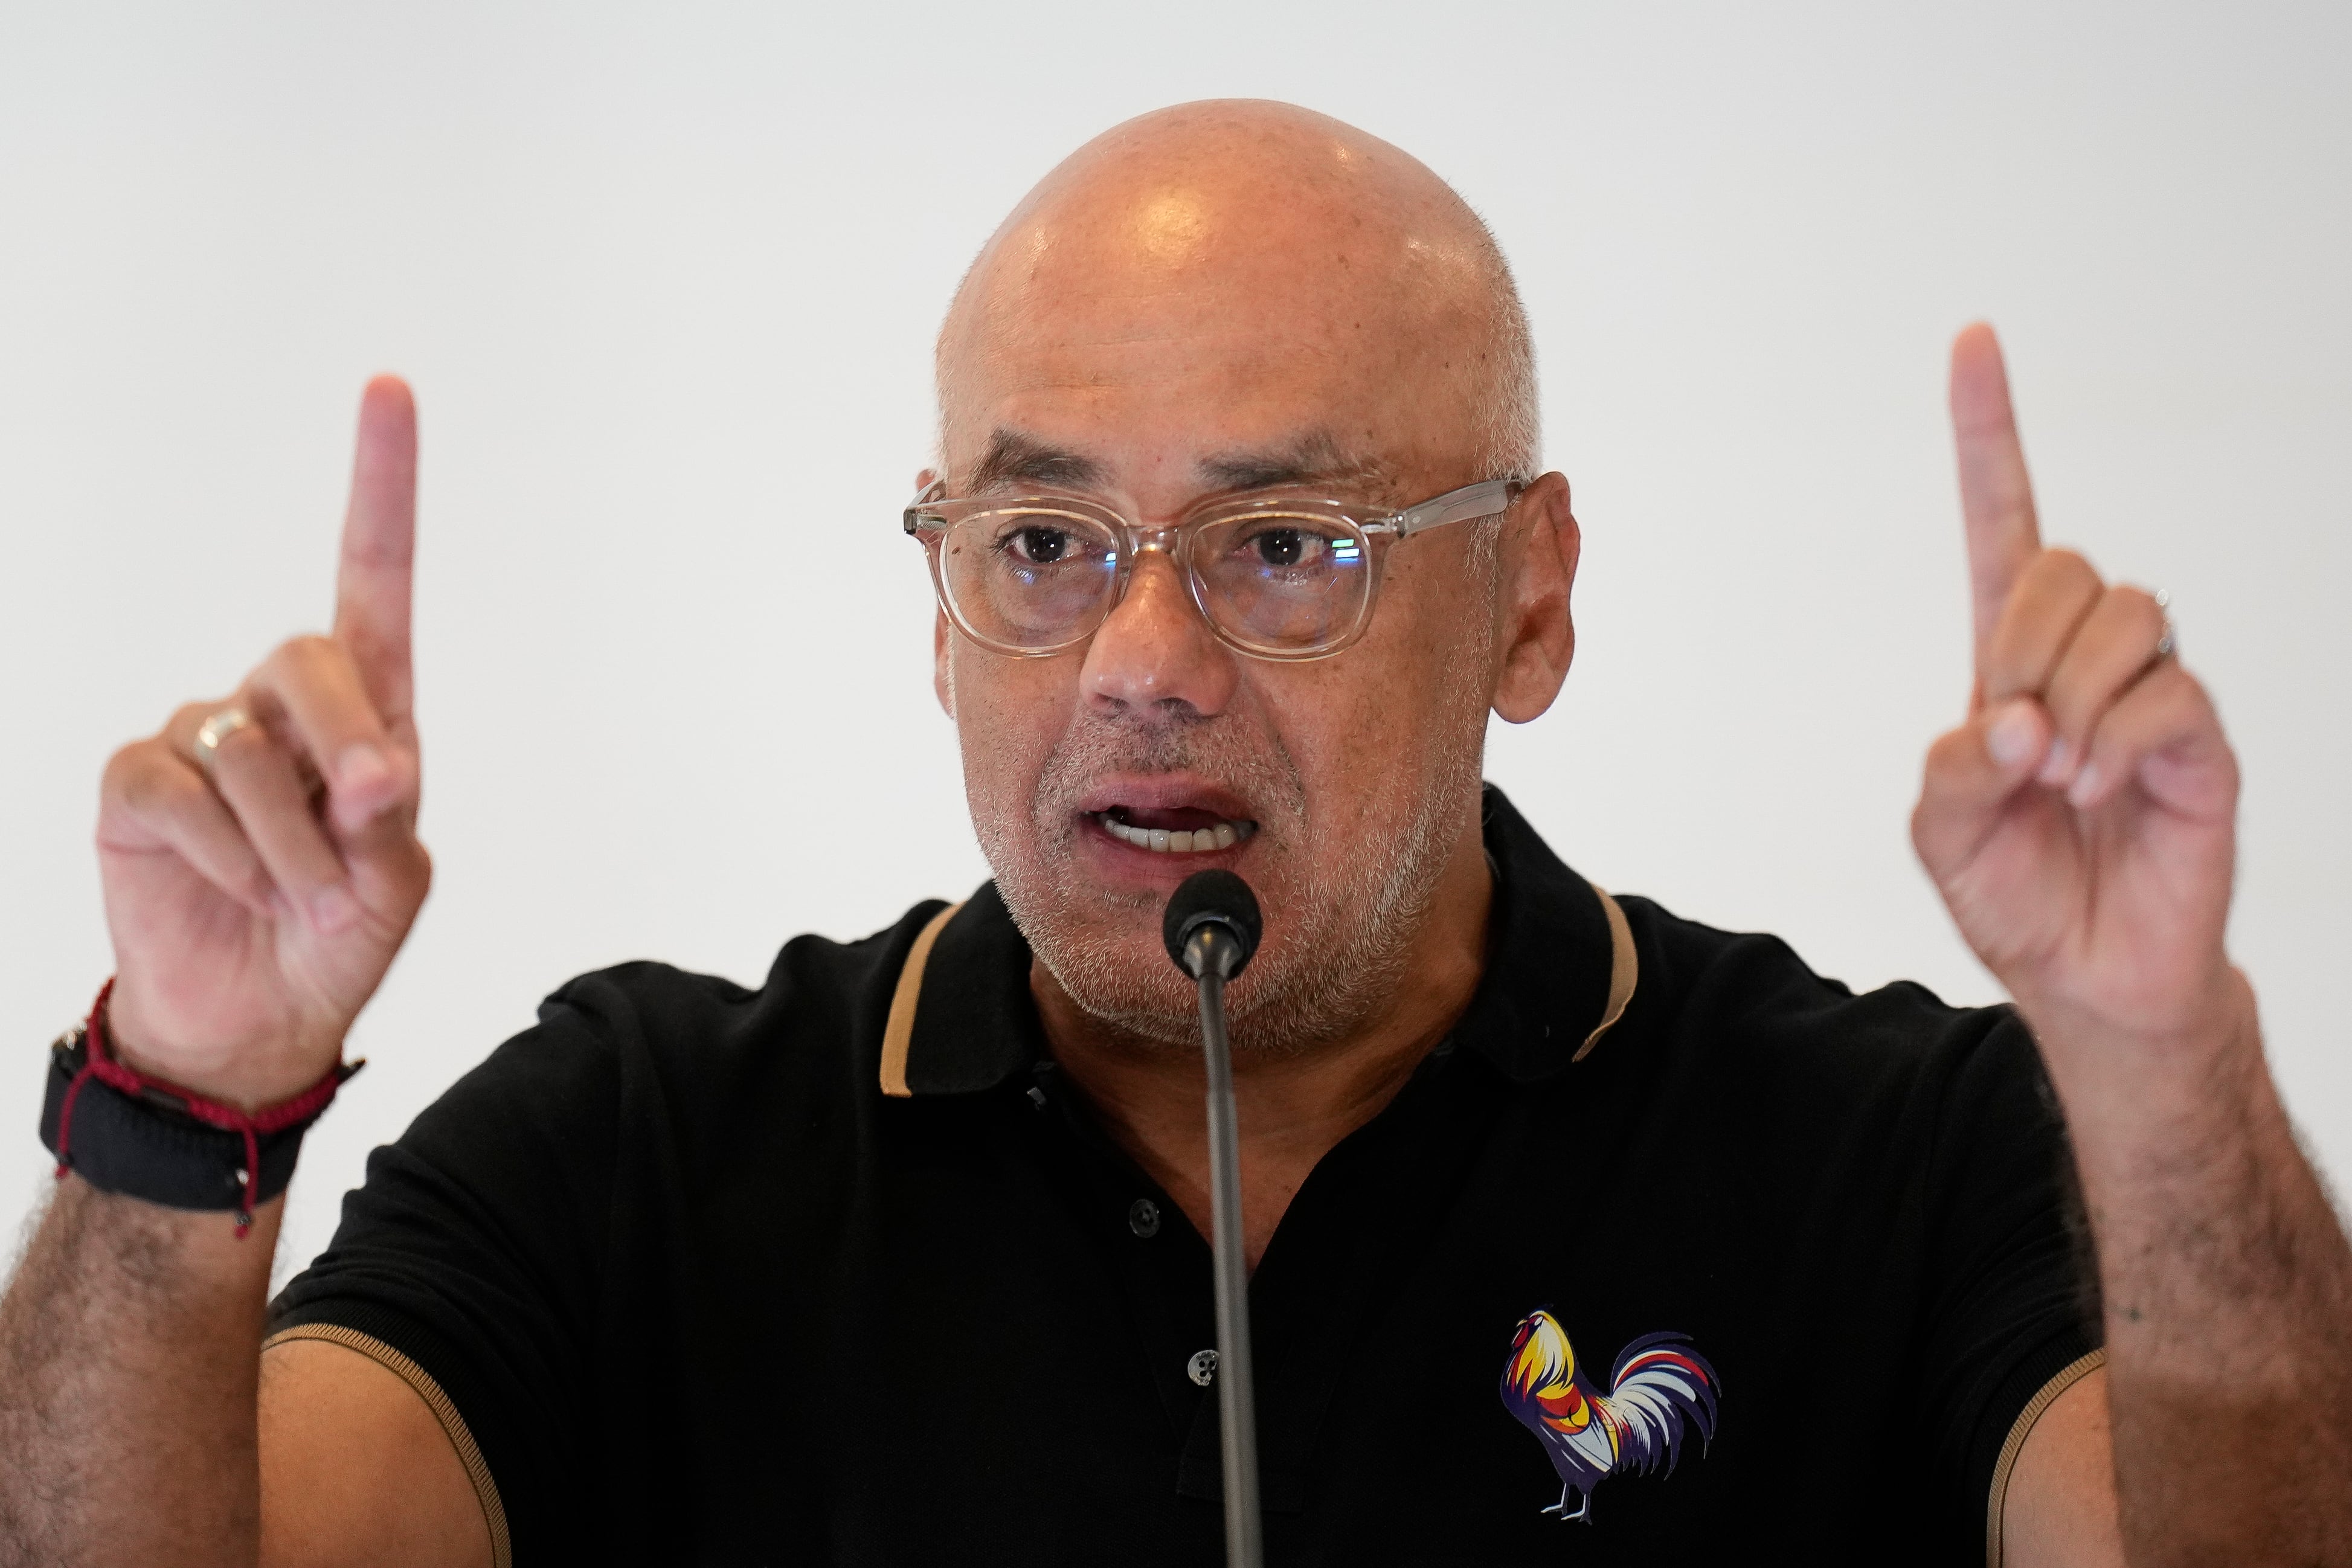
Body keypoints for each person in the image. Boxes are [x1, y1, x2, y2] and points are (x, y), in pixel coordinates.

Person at [1, 98, 2346, 1568]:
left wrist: (2151, 1059)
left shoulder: (1895, 1152)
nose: (1135, 654)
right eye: (1035, 539)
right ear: (935, 614)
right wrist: (177, 1111)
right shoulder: (631, 1149)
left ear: (1524, 595)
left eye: (1283, 541)